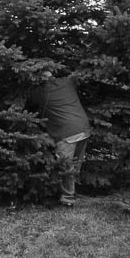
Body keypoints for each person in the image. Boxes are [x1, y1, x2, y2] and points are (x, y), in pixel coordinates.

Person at [27, 70, 92, 207]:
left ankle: (67, 199)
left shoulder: (40, 93)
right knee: (74, 164)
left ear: (41, 80)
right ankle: (71, 192)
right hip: (83, 127)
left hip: (66, 133)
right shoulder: (67, 82)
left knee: (65, 166)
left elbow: (30, 101)